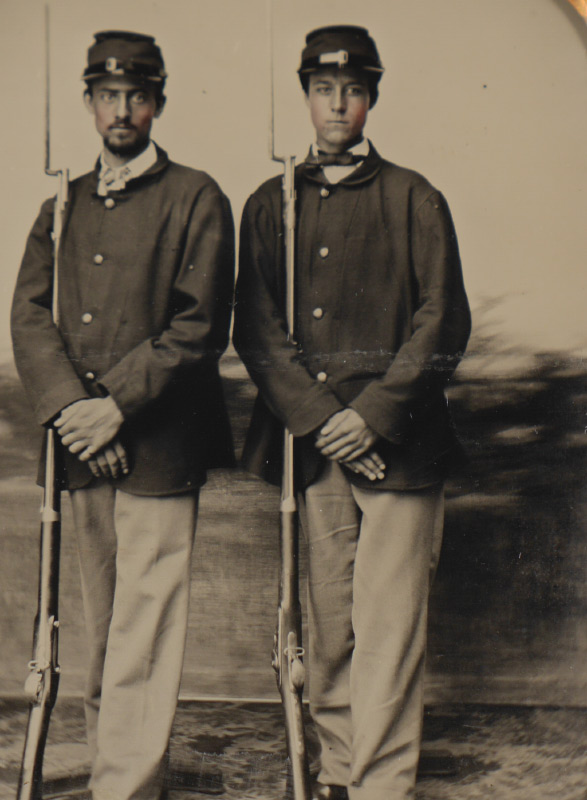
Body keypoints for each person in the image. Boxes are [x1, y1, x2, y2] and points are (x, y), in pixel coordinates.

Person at [233, 25, 471, 800]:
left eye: (353, 89)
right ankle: (336, 772)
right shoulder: (271, 203)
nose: (338, 103)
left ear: (371, 97)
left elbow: (442, 320)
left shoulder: (413, 196)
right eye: (324, 89)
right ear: (305, 97)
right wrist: (320, 418)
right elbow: (257, 330)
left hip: (397, 437)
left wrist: (368, 417)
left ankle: (381, 786)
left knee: (390, 627)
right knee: (329, 623)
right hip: (312, 442)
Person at [11, 30, 234, 800]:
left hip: (160, 445)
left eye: (137, 96)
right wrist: (76, 411)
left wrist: (115, 409)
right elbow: (30, 317)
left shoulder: (197, 197)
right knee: (103, 623)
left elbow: (198, 325)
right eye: (108, 96)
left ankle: (127, 787)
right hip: (82, 444)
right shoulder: (62, 205)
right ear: (88, 102)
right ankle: (119, 767)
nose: (122, 110)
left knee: (146, 627)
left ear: (158, 103)